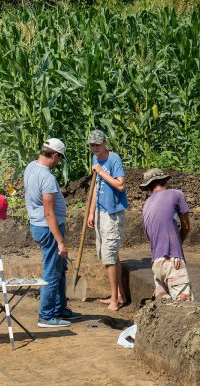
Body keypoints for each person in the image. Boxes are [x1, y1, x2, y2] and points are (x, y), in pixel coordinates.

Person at [24, 138, 81, 328]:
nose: (59, 162)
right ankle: (46, 316)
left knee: (59, 268)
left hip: (39, 225)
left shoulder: (31, 167)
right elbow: (48, 213)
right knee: (51, 271)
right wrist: (61, 242)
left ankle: (59, 308)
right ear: (54, 155)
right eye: (59, 159)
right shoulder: (46, 178)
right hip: (48, 229)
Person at [86, 129, 128, 311]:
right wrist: (91, 211)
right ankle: (119, 295)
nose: (94, 148)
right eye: (91, 145)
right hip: (100, 212)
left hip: (112, 213)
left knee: (109, 257)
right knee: (107, 254)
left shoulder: (113, 159)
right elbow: (96, 187)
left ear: (104, 143)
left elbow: (120, 185)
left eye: (97, 144)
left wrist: (101, 172)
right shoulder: (96, 159)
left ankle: (114, 300)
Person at [140, 169, 194, 301]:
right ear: (166, 180)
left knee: (165, 309)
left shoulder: (146, 205)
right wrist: (176, 246)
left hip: (156, 264)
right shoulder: (176, 194)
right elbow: (186, 226)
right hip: (172, 261)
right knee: (184, 307)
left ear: (148, 187)